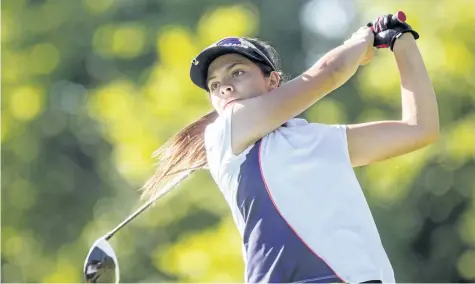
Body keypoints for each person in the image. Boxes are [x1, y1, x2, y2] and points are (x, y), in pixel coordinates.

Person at [141, 12, 439, 283]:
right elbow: (329, 73)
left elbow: (419, 130)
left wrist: (402, 41)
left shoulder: (318, 139)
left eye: (237, 73)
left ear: (272, 81)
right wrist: (362, 38)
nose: (225, 87)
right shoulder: (228, 128)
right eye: (214, 85)